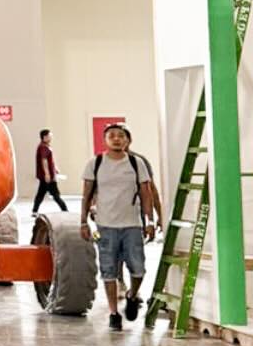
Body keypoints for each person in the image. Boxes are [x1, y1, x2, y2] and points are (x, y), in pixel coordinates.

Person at [80, 125, 159, 333]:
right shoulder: (95, 164)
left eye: (121, 136)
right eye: (111, 136)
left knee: (139, 268)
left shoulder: (136, 163)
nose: (116, 139)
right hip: (105, 226)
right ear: (105, 140)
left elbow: (146, 193)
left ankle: (132, 296)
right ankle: (114, 314)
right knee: (108, 270)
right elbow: (86, 195)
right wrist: (83, 222)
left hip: (132, 225)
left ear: (127, 140)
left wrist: (150, 220)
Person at [31, 128, 67, 214]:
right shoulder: (43, 147)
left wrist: (55, 169)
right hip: (48, 177)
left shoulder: (46, 146)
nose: (51, 137)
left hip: (48, 175)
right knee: (56, 195)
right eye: (50, 136)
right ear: (45, 137)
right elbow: (44, 160)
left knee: (41, 193)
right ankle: (65, 210)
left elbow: (50, 160)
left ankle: (34, 211)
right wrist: (47, 174)